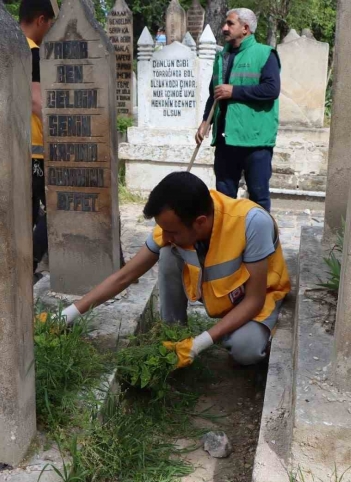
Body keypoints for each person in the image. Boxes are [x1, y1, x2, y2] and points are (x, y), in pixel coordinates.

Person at [49, 172, 290, 368]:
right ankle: (174, 335)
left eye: (172, 231)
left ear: (200, 222)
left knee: (245, 350)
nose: (164, 236)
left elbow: (255, 300)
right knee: (166, 252)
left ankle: (248, 334)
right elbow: (125, 276)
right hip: (222, 298)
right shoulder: (173, 227)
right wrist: (66, 315)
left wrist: (199, 344)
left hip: (258, 299)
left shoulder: (251, 222)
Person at [196, 8, 281, 211]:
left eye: (230, 23)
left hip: (255, 140)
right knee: (223, 201)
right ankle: (226, 241)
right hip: (226, 141)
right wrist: (205, 122)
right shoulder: (221, 57)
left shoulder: (265, 54)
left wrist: (235, 91)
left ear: (245, 28)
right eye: (225, 23)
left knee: (258, 198)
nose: (224, 28)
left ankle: (260, 242)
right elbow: (214, 93)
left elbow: (271, 89)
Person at [19, 0, 55, 280]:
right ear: (41, 19)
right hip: (37, 150)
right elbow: (35, 100)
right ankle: (27, 267)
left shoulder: (8, 48)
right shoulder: (31, 53)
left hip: (18, 147)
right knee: (54, 208)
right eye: (51, 23)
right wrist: (56, 134)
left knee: (26, 211)